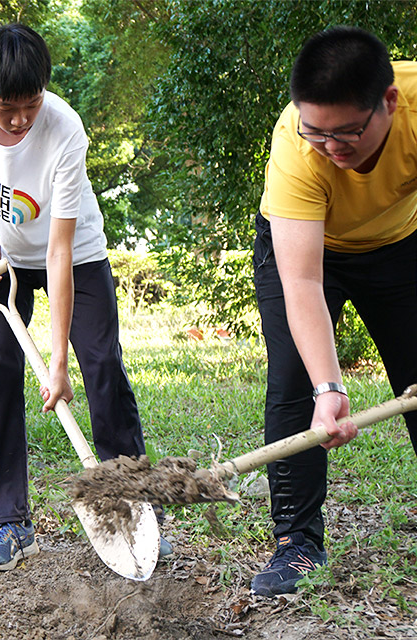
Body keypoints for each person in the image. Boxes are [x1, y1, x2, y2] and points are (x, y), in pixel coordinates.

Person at [0, 24, 153, 571]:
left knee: (101, 366)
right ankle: (9, 523)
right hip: (6, 256)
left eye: (30, 104)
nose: (19, 119)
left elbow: (59, 250)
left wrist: (59, 363)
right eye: (7, 107)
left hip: (74, 254)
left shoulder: (64, 129)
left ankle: (131, 507)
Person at [252, 26, 417, 596]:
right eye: (316, 131)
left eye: (346, 132)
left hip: (398, 246)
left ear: (387, 103)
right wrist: (330, 386)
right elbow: (301, 280)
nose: (330, 147)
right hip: (303, 247)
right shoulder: (296, 147)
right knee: (296, 383)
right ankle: (297, 543)